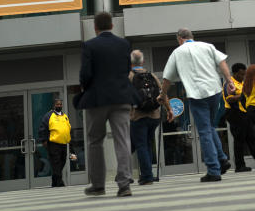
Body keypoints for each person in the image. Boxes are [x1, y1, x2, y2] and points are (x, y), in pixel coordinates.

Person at [159, 28, 233, 182]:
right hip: (215, 91)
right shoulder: (207, 46)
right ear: (192, 37)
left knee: (205, 131)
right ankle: (222, 159)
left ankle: (214, 170)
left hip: (197, 94)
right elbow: (222, 62)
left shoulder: (178, 52)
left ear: (179, 39)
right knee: (211, 127)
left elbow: (167, 78)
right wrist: (229, 80)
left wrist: (163, 94)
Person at [77, 11, 134, 198]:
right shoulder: (124, 44)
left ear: (95, 27)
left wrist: (86, 87)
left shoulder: (89, 45)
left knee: (95, 141)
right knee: (123, 140)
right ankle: (124, 185)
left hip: (97, 99)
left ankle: (98, 185)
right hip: (122, 97)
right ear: (112, 25)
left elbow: (85, 74)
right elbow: (127, 69)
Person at [128, 50, 164, 186]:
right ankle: (148, 173)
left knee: (141, 145)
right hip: (154, 115)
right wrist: (170, 109)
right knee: (148, 144)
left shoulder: (129, 77)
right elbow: (162, 93)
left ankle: (147, 176)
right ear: (142, 62)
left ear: (131, 63)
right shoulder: (152, 76)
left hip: (138, 116)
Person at [223, 62, 255, 172]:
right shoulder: (230, 84)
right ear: (235, 73)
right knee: (239, 140)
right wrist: (243, 94)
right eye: (241, 74)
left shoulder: (243, 83)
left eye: (244, 74)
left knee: (252, 138)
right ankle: (239, 166)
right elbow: (229, 98)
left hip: (245, 113)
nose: (243, 76)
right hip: (234, 113)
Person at [38, 98, 72, 187]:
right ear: (54, 105)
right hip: (53, 143)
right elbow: (42, 128)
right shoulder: (49, 115)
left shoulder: (64, 116)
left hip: (64, 143)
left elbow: (68, 128)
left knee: (62, 161)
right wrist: (44, 140)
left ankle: (54, 179)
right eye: (57, 104)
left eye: (60, 104)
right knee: (56, 162)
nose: (59, 106)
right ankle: (60, 182)